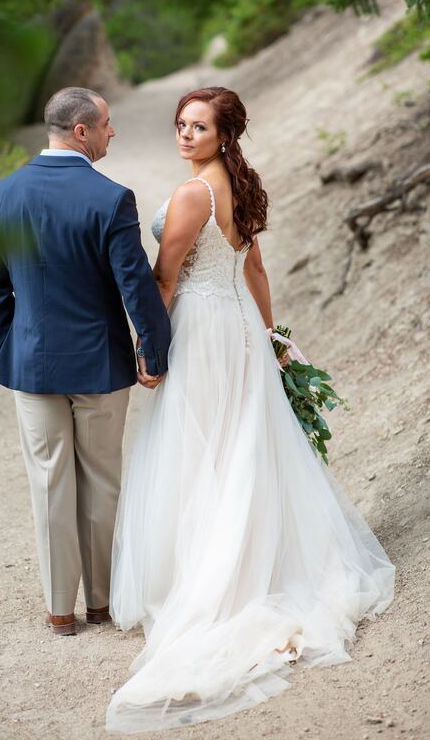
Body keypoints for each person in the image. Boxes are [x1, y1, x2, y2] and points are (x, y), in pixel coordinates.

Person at [107, 87, 395, 732]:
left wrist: (147, 347)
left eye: (199, 127)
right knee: (242, 441)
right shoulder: (239, 184)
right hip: (237, 326)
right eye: (181, 124)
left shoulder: (191, 195)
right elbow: (255, 267)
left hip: (205, 331)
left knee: (202, 446)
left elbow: (164, 278)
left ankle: (214, 576)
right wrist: (270, 338)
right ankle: (258, 555)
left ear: (224, 134)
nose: (185, 135)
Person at [0, 86, 171, 637]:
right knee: (102, 480)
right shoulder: (111, 199)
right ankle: (102, 603)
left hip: (32, 366)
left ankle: (60, 607)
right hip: (100, 364)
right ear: (81, 131)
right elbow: (135, 288)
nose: (113, 132)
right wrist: (153, 352)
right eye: (107, 124)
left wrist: (15, 348)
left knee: (48, 480)